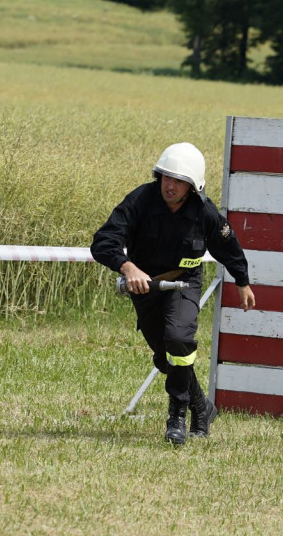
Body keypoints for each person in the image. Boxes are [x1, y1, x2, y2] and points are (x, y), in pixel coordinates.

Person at [91, 142, 256, 445]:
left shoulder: (204, 212)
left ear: (192, 186)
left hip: (184, 283)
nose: (170, 185)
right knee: (167, 359)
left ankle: (176, 418)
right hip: (145, 286)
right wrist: (127, 267)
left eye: (178, 181)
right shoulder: (140, 199)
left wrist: (242, 281)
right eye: (166, 177)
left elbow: (228, 246)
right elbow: (103, 241)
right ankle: (202, 407)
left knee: (179, 340)